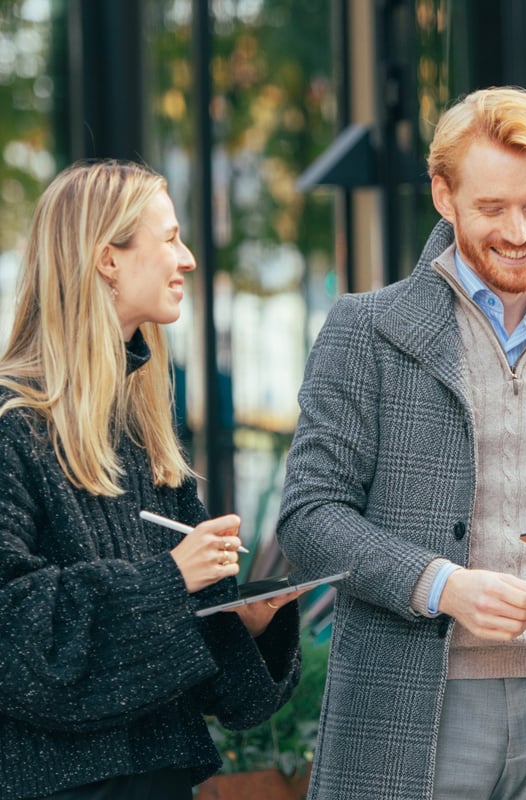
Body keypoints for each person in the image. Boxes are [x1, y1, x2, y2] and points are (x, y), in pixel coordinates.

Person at [277, 86, 526, 800]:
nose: (519, 231)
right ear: (443, 194)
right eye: (491, 208)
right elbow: (309, 515)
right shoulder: (365, 329)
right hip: (415, 700)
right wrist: (441, 585)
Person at [0, 160, 302, 800]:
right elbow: (13, 631)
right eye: (168, 238)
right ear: (108, 258)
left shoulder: (145, 431)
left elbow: (202, 666)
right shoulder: (12, 428)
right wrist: (173, 577)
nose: (187, 259)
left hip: (161, 779)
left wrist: (245, 620)